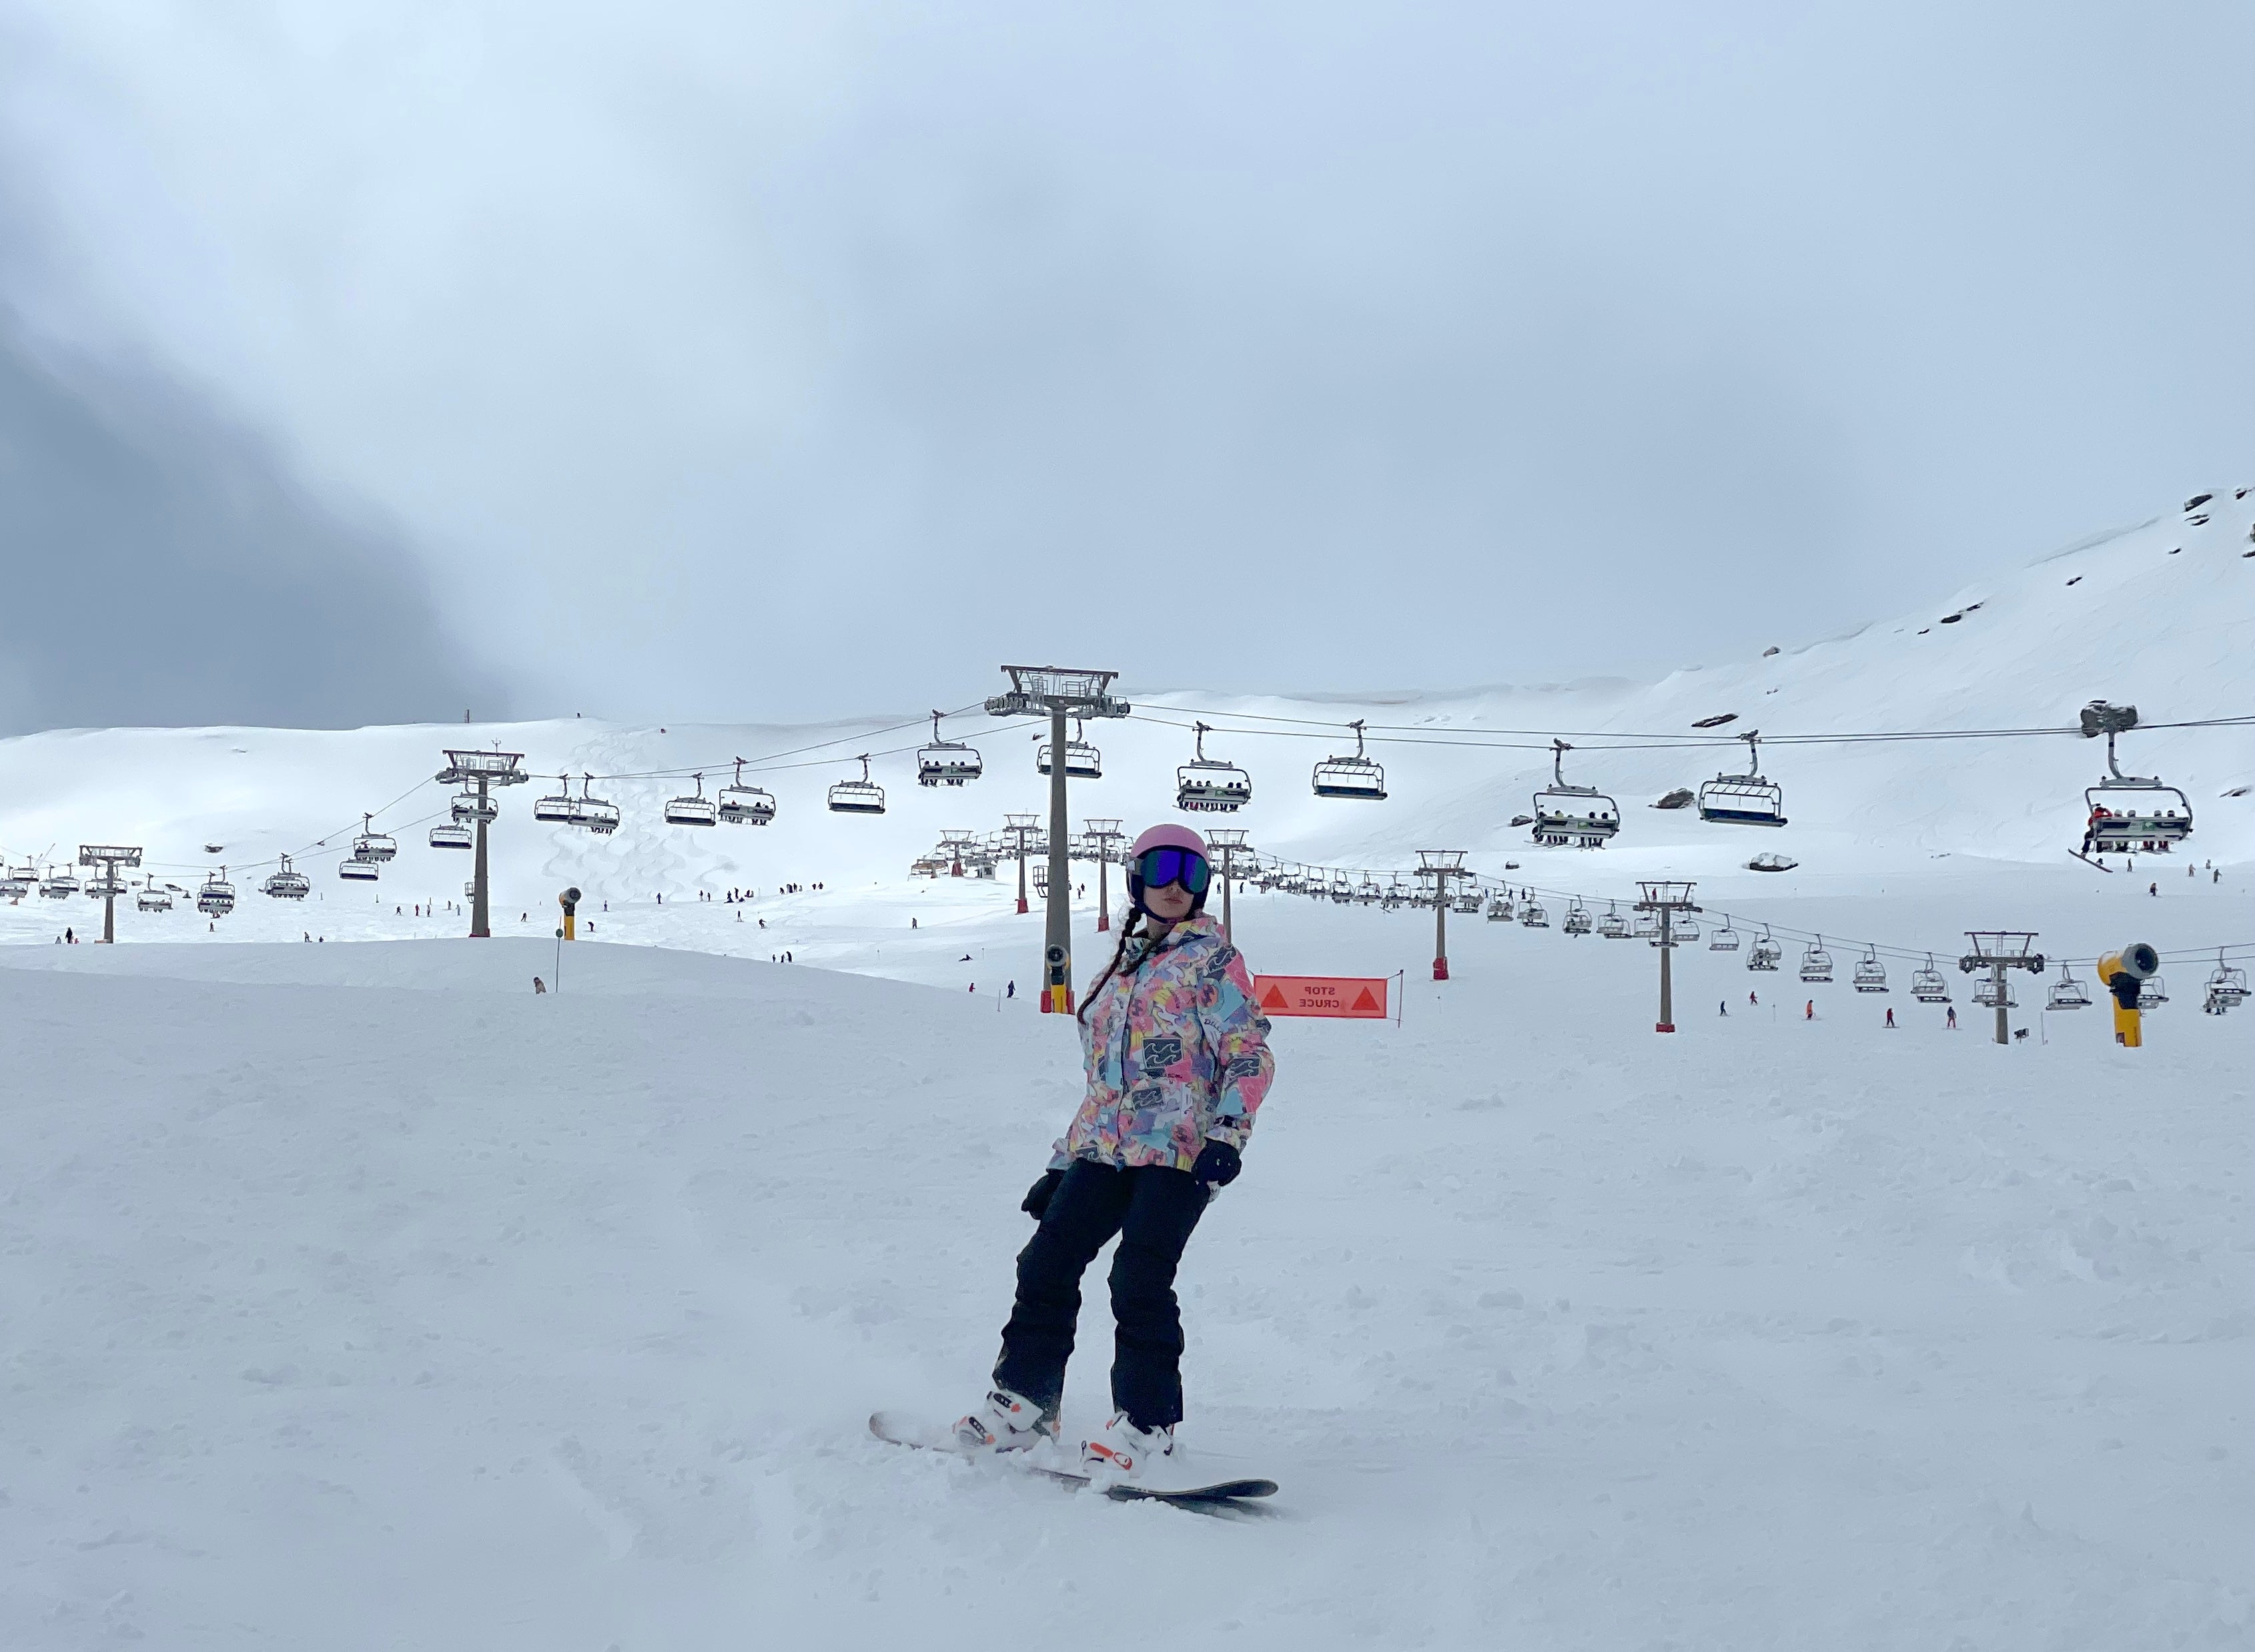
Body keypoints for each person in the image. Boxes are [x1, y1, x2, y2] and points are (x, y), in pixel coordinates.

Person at [953, 825, 1275, 1483]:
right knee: (1045, 1259)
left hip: (1181, 1152)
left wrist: (1227, 1135)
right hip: (1103, 1148)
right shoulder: (1118, 969)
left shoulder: (1214, 961)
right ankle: (1025, 1401)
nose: (1174, 883)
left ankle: (1147, 1428)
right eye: (1160, 867)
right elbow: (1106, 1085)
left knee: (1138, 1277)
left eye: (1190, 870)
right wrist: (1060, 1164)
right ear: (1135, 878)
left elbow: (1249, 1054)